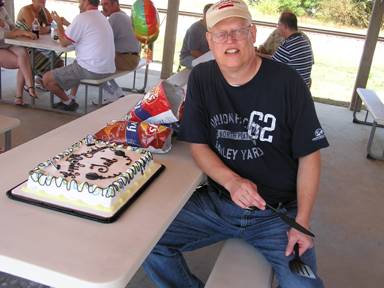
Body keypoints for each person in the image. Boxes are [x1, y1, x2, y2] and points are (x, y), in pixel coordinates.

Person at [143, 1, 328, 287]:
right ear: (209, 41)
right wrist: (231, 182)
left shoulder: (288, 83)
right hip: (218, 203)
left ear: (253, 33)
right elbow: (198, 145)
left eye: (238, 30)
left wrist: (302, 222)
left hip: (276, 214)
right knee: (145, 241)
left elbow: (310, 157)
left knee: (304, 284)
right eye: (220, 33)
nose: (230, 40)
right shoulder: (202, 78)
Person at [42, 0, 115, 111]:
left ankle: (68, 102)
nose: (79, 2)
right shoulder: (101, 17)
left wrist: (59, 23)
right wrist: (66, 24)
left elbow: (64, 42)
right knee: (77, 62)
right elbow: (83, 32)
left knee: (46, 79)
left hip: (92, 69)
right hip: (107, 67)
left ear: (86, 1)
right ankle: (72, 97)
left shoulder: (82, 17)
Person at [99, 0, 141, 103]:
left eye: (106, 4)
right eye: (102, 4)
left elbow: (102, 39)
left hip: (126, 59)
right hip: (132, 58)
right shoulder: (123, 15)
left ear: (115, 4)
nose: (103, 7)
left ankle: (111, 93)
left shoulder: (115, 17)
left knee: (93, 65)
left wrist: (101, 19)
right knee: (101, 62)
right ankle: (117, 91)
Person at [16, 0, 64, 88]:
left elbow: (53, 24)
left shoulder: (44, 10)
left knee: (59, 63)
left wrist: (53, 24)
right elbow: (37, 30)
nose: (43, 0)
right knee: (52, 64)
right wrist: (49, 28)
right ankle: (37, 82)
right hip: (25, 47)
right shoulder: (26, 10)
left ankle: (43, 81)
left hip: (39, 45)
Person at [0, 1, 37, 105]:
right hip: (2, 45)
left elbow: (12, 26)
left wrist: (22, 33)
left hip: (7, 43)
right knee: (23, 61)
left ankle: (27, 89)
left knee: (24, 53)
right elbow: (2, 35)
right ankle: (28, 89)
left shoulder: (2, 9)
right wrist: (21, 32)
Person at [272, 12, 314, 87]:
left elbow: (272, 64)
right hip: (303, 88)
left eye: (278, 25)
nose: (277, 27)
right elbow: (275, 58)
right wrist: (259, 54)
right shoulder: (303, 40)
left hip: (292, 91)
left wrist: (257, 55)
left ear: (285, 26)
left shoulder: (288, 44)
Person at [179, 3, 213, 69]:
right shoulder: (195, 29)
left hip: (206, 56)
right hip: (189, 57)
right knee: (204, 67)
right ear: (205, 15)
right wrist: (208, 60)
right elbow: (193, 52)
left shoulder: (213, 27)